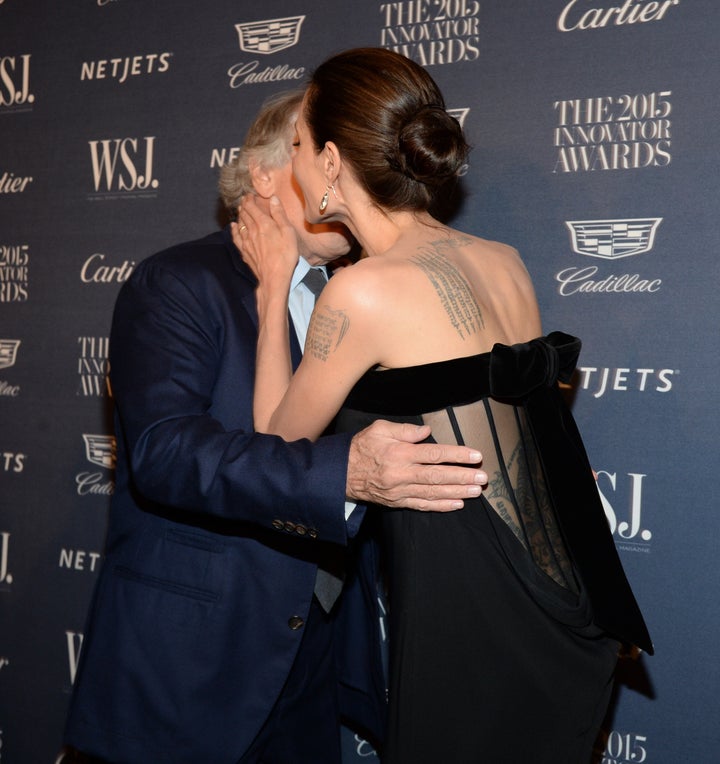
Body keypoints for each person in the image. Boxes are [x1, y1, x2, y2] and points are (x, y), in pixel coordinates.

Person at [235, 49, 653, 764]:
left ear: (332, 163)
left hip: (473, 611)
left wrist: (275, 292)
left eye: (300, 143)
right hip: (561, 589)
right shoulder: (503, 259)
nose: (294, 159)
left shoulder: (362, 291)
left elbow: (276, 438)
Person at [62, 90, 489, 764]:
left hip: (309, 660)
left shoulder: (368, 292)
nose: (337, 179)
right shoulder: (177, 282)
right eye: (320, 159)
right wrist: (342, 471)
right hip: (190, 667)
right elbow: (165, 452)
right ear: (265, 175)